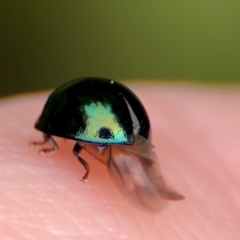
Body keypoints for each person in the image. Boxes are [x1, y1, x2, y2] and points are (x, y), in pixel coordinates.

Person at [0, 83, 239, 239]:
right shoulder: (71, 108)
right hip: (123, 125)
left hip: (120, 127)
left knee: (80, 150)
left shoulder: (64, 114)